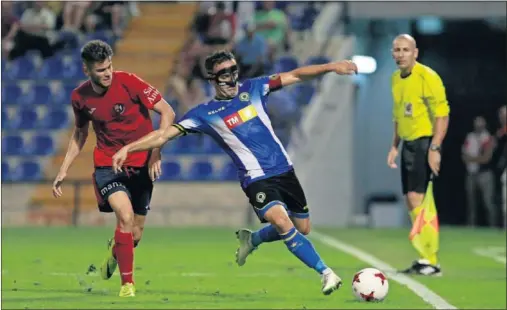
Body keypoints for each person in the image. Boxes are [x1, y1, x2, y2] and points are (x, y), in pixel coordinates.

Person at [112, 50, 357, 295]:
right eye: (223, 74)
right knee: (282, 222)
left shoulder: (254, 88)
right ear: (212, 79)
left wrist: (332, 66)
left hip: (285, 171)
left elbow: (295, 75)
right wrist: (130, 148)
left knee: (302, 228)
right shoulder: (204, 114)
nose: (230, 78)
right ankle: (326, 273)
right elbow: (164, 134)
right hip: (256, 178)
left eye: (233, 71)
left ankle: (253, 240)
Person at [52, 40, 175, 297]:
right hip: (108, 163)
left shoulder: (130, 82)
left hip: (140, 164)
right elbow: (80, 133)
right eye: (100, 70)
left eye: (109, 67)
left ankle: (115, 251)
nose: (107, 73)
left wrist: (156, 152)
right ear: (87, 70)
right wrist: (64, 168)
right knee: (125, 216)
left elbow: (167, 112)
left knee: (136, 233)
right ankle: (127, 284)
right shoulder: (80, 97)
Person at [387, 34, 450, 276]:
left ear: (415, 52)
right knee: (412, 200)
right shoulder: (395, 79)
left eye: (405, 49)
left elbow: (442, 114)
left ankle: (430, 259)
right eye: (396, 50)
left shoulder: (428, 77)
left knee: (421, 201)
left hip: (424, 143)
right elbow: (398, 116)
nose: (400, 54)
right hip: (408, 146)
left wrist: (435, 148)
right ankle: (425, 256)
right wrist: (394, 146)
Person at [462, 116, 496, 227]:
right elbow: (464, 155)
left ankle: (493, 226)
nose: (478, 125)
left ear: (485, 124)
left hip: (484, 174)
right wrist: (475, 158)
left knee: (488, 202)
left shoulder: (488, 138)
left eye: (481, 123)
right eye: (477, 123)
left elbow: (486, 158)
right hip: (471, 173)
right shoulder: (470, 137)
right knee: (471, 203)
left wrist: (472, 159)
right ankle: (471, 226)